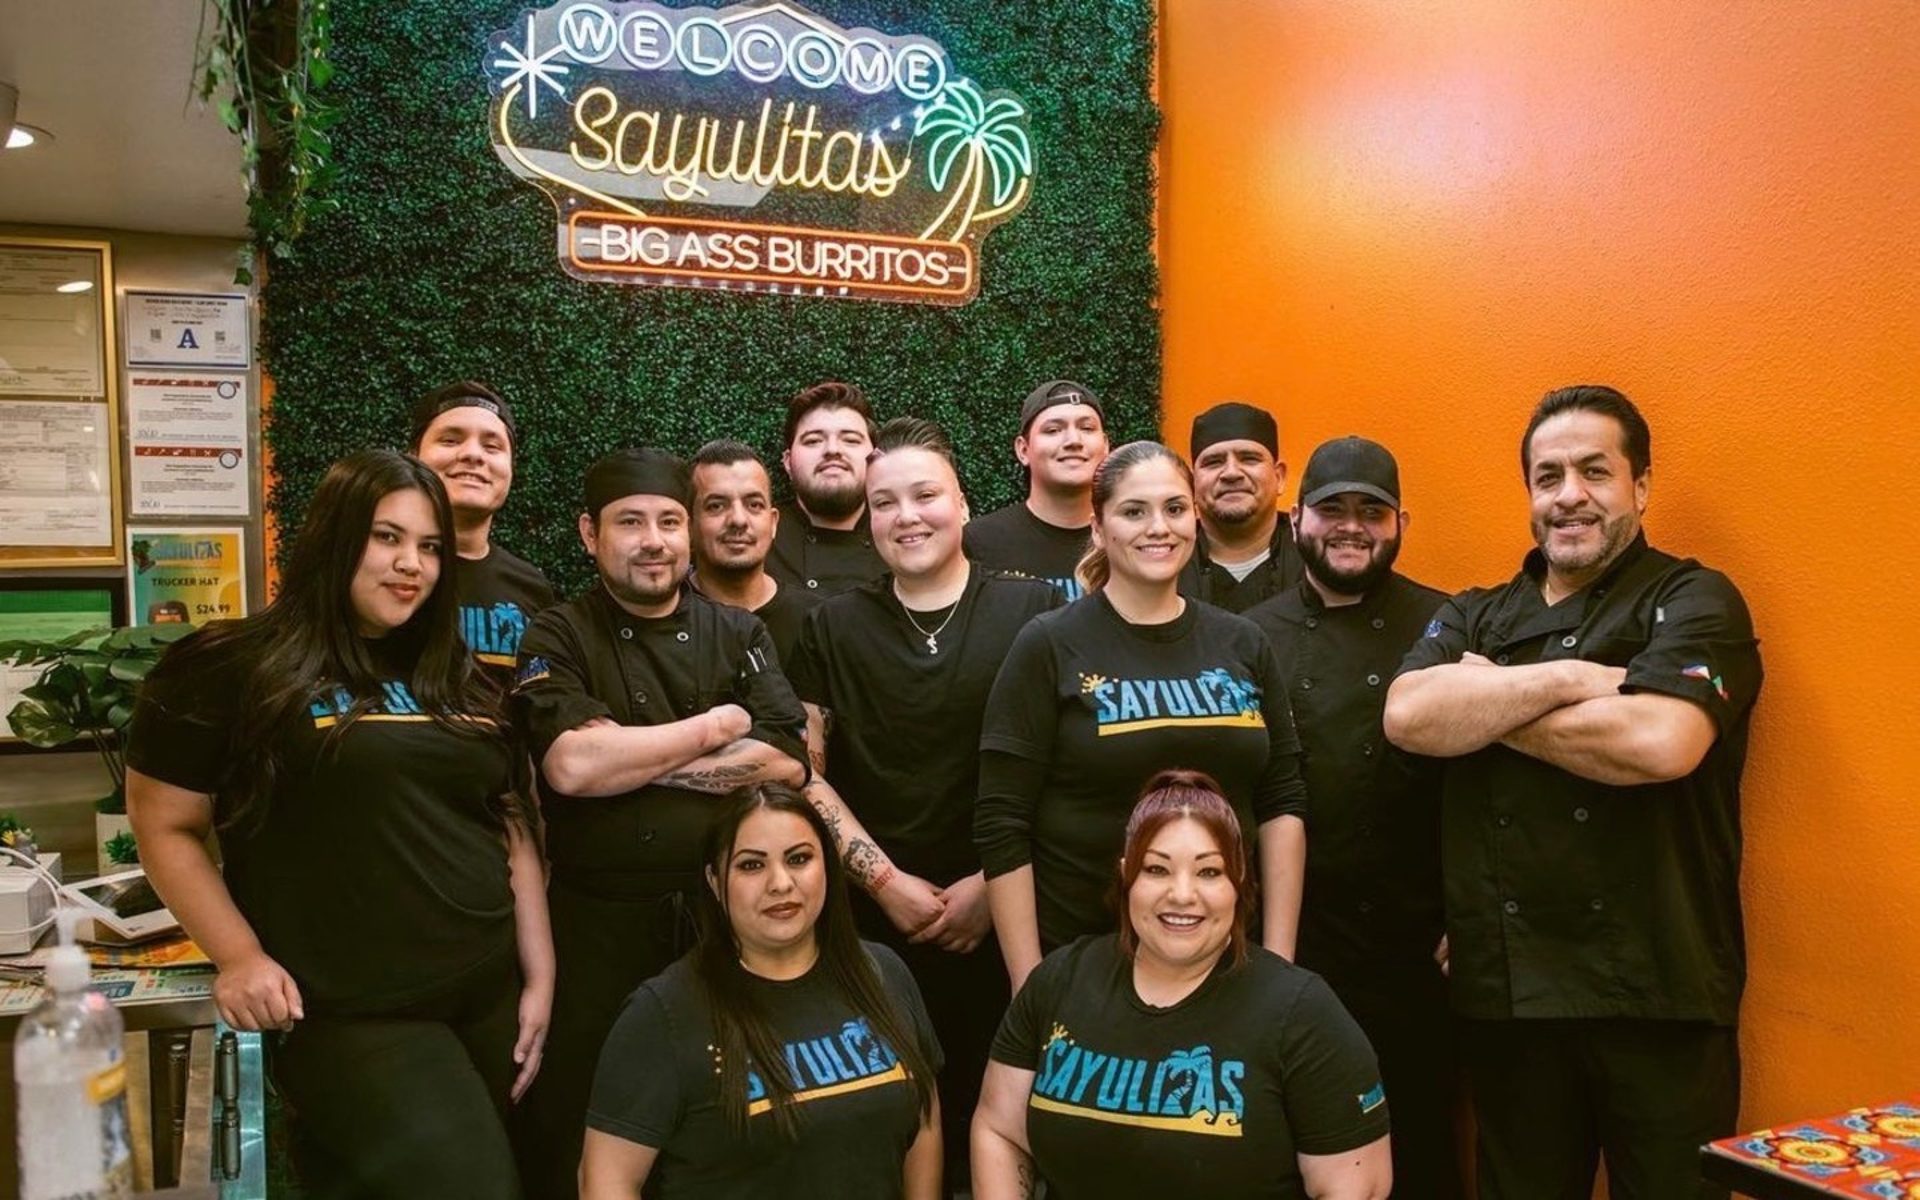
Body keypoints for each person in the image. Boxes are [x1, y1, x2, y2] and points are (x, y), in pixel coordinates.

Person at [126, 450, 553, 1198]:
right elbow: (164, 823)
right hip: (353, 1011)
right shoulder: (233, 666)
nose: (411, 564)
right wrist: (239, 957)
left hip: (487, 998)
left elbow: (507, 818)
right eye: (387, 537)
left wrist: (540, 975)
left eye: (429, 546)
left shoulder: (455, 675)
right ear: (335, 537)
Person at [1384, 386, 1763, 1200]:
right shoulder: (1476, 612)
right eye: (1548, 476)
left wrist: (1486, 705)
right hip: (1511, 993)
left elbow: (1661, 742)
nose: (1569, 495)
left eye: (1595, 471)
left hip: (1662, 986)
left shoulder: (1693, 599)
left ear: (1640, 486)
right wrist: (1574, 679)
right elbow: (1409, 715)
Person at [510, 447, 808, 1198]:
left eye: (670, 522)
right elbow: (572, 768)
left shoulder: (737, 632)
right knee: (584, 1127)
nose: (654, 541)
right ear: (589, 533)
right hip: (593, 933)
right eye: (630, 522)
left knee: (727, 1124)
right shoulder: (556, 634)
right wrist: (713, 728)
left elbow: (787, 761)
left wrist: (631, 756)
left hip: (721, 927)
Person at [787, 417, 1060, 1195]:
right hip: (873, 936)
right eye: (885, 503)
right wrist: (884, 884)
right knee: (891, 1136)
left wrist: (992, 887)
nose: (906, 516)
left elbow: (1067, 766)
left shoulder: (1035, 611)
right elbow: (804, 775)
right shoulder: (831, 627)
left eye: (925, 495)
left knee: (1008, 1134)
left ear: (964, 505)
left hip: (1014, 925)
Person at [976, 440, 1309, 993]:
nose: (1159, 527)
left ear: (1195, 518)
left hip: (1230, 964)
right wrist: (1030, 983)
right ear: (1098, 528)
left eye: (1175, 508)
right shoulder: (1050, 644)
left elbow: (1282, 801)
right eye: (1134, 511)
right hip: (1086, 964)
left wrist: (1278, 962)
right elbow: (1002, 821)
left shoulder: (1244, 642)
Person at [973, 770, 1393, 1200]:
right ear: (1127, 875)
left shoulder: (1304, 1015)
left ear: (1239, 880)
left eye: (1209, 872)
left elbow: (1359, 1187)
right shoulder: (1060, 981)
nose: (1182, 894)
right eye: (1157, 869)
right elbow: (998, 1130)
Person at [1245, 436, 1459, 1199]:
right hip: (1294, 941)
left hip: (1416, 947)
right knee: (1291, 1145)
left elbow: (1480, 787)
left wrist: (1464, 914)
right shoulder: (1251, 633)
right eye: (1332, 508)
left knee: (1422, 1146)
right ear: (1295, 517)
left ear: (1401, 524)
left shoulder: (1447, 624)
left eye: (1372, 511)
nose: (1351, 526)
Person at [581, 784, 943, 1200]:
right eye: (751, 865)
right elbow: (605, 1180)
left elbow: (924, 1123)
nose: (780, 883)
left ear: (828, 867)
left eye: (799, 859)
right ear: (714, 881)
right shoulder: (662, 1013)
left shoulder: (883, 973)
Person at [410, 381, 556, 684]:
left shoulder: (531, 588)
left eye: (492, 447)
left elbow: (539, 696)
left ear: (511, 468)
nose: (473, 455)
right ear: (413, 457)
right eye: (450, 440)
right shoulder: (372, 571)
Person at [963, 380, 1110, 600]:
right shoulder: (980, 542)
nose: (1074, 441)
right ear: (1023, 450)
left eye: (1087, 428)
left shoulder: (1129, 537)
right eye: (1053, 430)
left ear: (1106, 446)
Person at [688, 438, 821, 663]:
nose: (738, 520)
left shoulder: (817, 620)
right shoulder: (664, 617)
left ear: (773, 523)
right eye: (716, 506)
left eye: (754, 505)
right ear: (689, 526)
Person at [1180, 401, 1304, 612]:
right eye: (1214, 462)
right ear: (1192, 483)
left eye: (1249, 459)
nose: (1231, 473)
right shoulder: (1166, 560)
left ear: (1279, 477)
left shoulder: (1313, 559)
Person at [765, 381, 886, 596]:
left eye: (851, 440)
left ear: (875, 459)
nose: (832, 449)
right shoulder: (758, 536)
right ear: (788, 461)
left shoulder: (900, 534)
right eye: (813, 441)